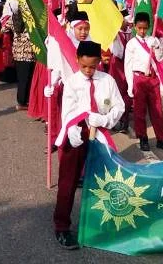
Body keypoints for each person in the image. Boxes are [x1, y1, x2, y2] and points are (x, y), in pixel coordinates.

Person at [52, 40, 125, 250]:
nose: (88, 71)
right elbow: (68, 111)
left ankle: (98, 224)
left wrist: (104, 120)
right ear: (77, 61)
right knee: (68, 181)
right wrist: (72, 130)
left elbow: (118, 107)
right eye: (84, 66)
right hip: (77, 133)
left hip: (99, 132)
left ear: (98, 62)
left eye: (92, 66)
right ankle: (62, 226)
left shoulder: (107, 81)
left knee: (103, 181)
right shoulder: (72, 82)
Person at [124, 12, 163, 152]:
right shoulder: (131, 44)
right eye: (139, 28)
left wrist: (157, 47)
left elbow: (158, 59)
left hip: (152, 79)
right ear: (134, 27)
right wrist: (129, 85)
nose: (142, 31)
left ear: (148, 26)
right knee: (139, 111)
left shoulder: (152, 40)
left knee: (157, 110)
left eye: (145, 28)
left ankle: (161, 139)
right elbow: (128, 65)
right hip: (139, 79)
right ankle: (143, 138)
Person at [45, 11, 92, 144]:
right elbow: (58, 69)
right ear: (72, 28)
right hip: (69, 92)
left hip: (87, 92)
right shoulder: (65, 45)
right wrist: (50, 85)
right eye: (80, 29)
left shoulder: (92, 44)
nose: (83, 32)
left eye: (86, 29)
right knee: (67, 123)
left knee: (85, 129)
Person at [6, 7, 36, 110]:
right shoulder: (30, 19)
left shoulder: (13, 18)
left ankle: (22, 101)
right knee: (27, 79)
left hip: (17, 53)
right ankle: (22, 102)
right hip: (29, 53)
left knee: (21, 78)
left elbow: (4, 29)